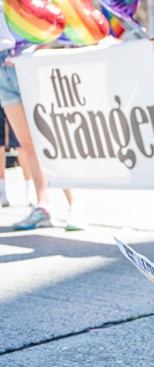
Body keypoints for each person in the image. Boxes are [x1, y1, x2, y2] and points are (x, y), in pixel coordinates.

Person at [0, 12, 84, 231]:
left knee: (50, 137)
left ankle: (75, 207)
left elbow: (54, 20)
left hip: (27, 60)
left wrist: (33, 51)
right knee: (27, 144)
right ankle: (42, 206)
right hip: (2, 67)